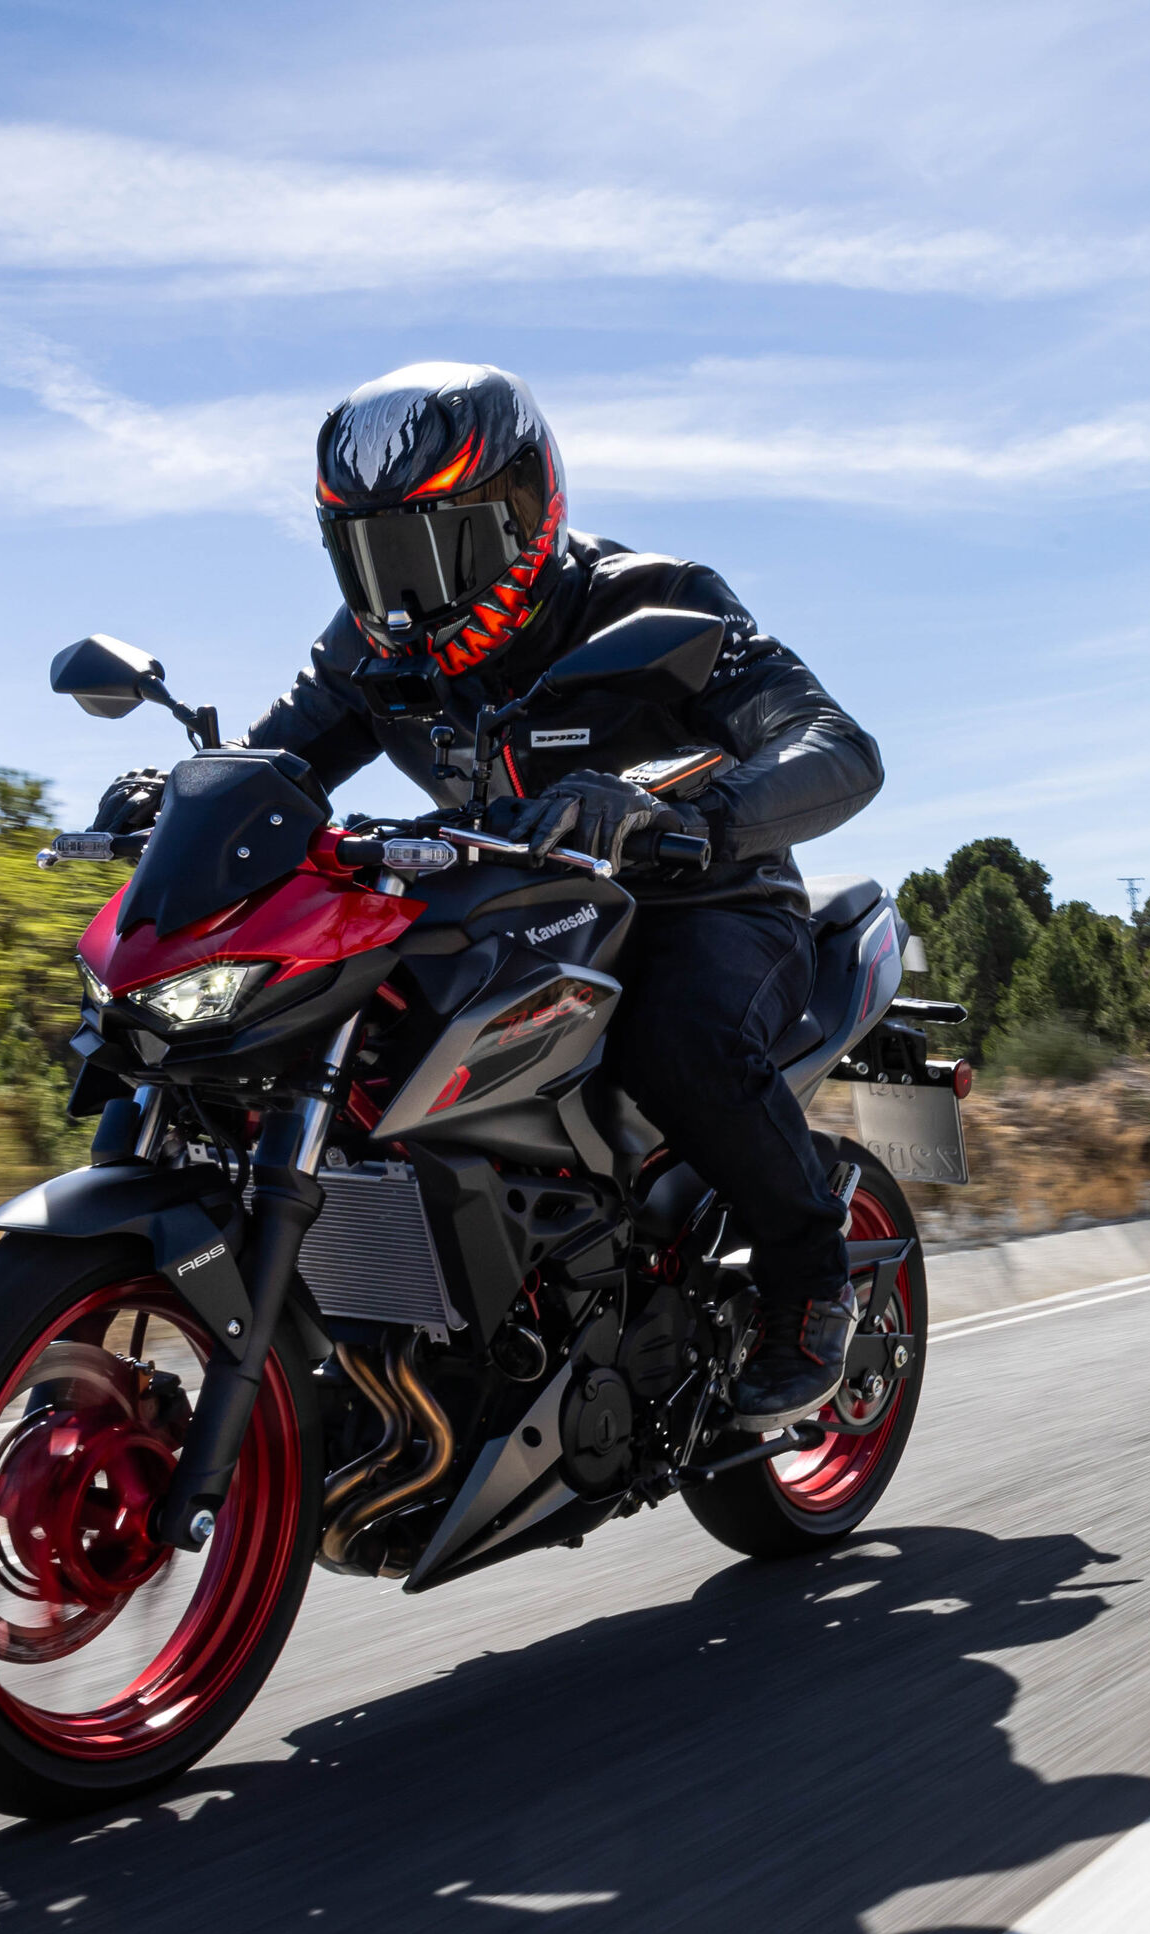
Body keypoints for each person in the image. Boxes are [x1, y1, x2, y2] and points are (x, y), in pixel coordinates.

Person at [246, 361, 885, 1428]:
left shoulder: (655, 601)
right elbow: (275, 767)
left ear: (524, 508)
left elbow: (835, 745)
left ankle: (810, 1280)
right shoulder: (370, 653)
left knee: (676, 1041)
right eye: (374, 552)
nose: (406, 589)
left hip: (703, 901)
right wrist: (183, 794)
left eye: (438, 545)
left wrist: (680, 813)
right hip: (516, 914)